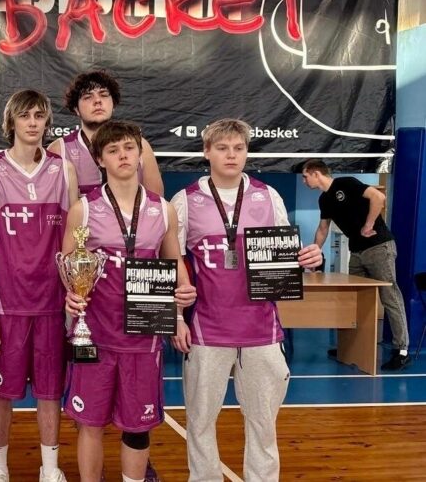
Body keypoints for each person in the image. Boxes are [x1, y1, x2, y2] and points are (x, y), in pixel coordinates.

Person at [172, 119, 322, 481]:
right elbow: (171, 263)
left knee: (263, 423)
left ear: (247, 152)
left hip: (261, 330)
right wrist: (175, 318)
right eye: (222, 148)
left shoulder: (268, 196)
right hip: (207, 330)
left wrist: (308, 259)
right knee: (200, 421)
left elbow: (285, 259)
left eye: (238, 148)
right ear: (206, 152)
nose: (231, 155)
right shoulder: (185, 201)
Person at [61, 121, 197, 482]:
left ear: (139, 154)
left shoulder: (163, 210)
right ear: (100, 159)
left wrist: (182, 300)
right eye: (113, 150)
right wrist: (71, 296)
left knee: (138, 426)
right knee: (89, 422)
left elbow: (173, 263)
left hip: (144, 335)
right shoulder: (83, 210)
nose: (122, 155)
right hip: (95, 335)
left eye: (128, 148)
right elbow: (68, 267)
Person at [0, 89, 79, 482]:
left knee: (50, 390)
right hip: (8, 303)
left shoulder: (64, 171)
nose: (33, 122)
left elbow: (76, 240)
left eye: (39, 115)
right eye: (25, 116)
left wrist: (76, 295)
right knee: (1, 391)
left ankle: (50, 469)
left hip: (53, 302)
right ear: (12, 123)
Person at [301, 159, 410, 370]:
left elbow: (378, 197)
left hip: (378, 247)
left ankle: (401, 350)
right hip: (357, 252)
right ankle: (351, 346)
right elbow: (323, 229)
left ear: (316, 174)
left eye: (306, 177)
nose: (304, 181)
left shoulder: (346, 183)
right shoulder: (324, 200)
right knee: (353, 299)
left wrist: (368, 225)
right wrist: (315, 253)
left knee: (389, 296)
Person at [47, 70, 163, 196]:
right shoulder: (59, 149)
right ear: (76, 109)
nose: (97, 101)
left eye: (104, 95)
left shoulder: (140, 145)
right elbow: (51, 203)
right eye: (88, 97)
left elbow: (155, 202)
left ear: (113, 104)